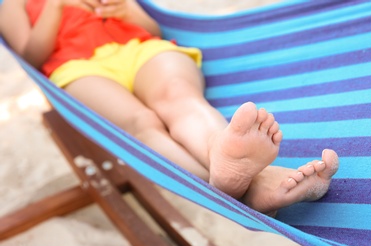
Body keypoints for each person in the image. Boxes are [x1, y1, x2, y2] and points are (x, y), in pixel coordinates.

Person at [0, 0, 339, 216]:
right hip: (78, 66)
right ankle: (249, 184)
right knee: (140, 120)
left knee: (180, 96)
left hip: (139, 48)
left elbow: (151, 28)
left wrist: (125, 10)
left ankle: (233, 175)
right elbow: (30, 56)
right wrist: (57, 6)